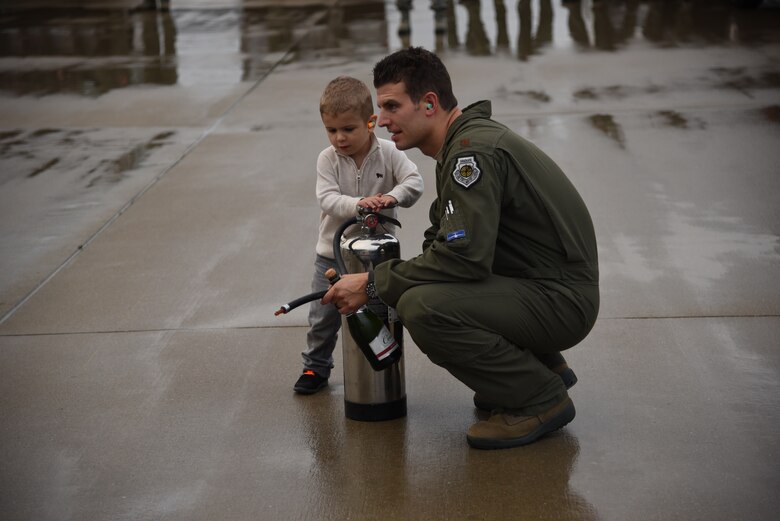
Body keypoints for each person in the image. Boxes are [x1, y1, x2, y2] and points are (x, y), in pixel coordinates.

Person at [323, 48, 599, 450]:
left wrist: (372, 284)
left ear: (430, 103)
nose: (381, 120)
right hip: (546, 287)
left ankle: (538, 398)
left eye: (392, 106)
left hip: (561, 300)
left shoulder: (472, 154)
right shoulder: (463, 143)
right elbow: (445, 242)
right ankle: (539, 367)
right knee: (425, 283)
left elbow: (462, 259)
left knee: (423, 305)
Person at [295, 76, 424, 395]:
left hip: (375, 259)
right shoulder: (328, 159)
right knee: (323, 317)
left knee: (380, 313)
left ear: (370, 122)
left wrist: (393, 197)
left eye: (347, 129)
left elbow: (415, 181)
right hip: (332, 255)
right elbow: (326, 198)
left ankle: (380, 366)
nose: (339, 138)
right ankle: (315, 366)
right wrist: (358, 204)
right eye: (331, 130)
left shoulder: (390, 153)